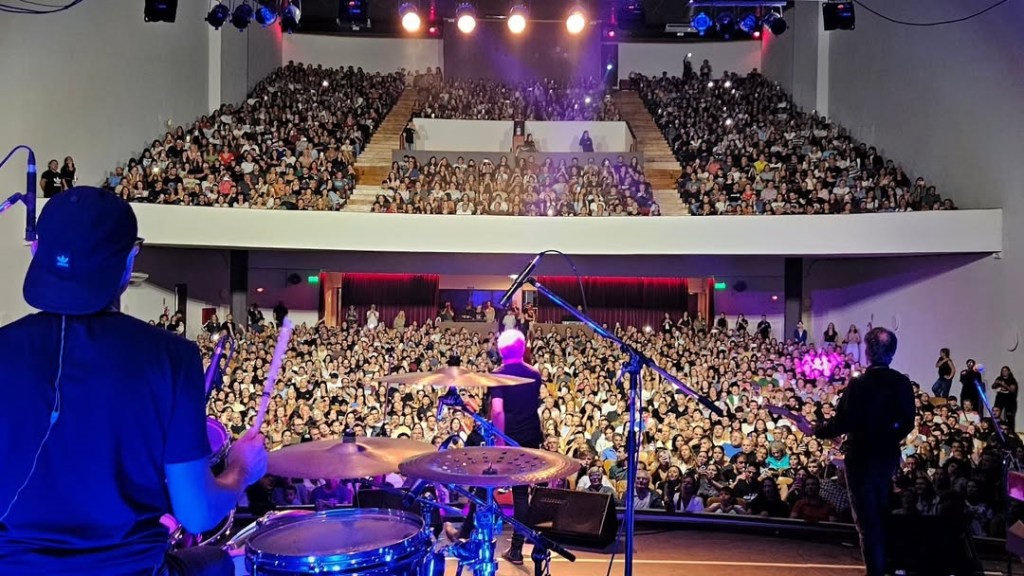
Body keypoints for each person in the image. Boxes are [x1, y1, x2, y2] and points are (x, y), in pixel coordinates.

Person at [0, 187, 268, 576]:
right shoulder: (171, 357)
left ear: (35, 252)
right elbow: (196, 515)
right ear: (129, 260)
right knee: (240, 563)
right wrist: (243, 469)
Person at [813, 327, 915, 576]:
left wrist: (818, 430)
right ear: (893, 352)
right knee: (883, 510)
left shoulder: (859, 384)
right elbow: (908, 422)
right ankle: (888, 565)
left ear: (867, 352)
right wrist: (888, 439)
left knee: (866, 518)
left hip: (860, 457)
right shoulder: (901, 382)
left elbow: (841, 423)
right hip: (887, 455)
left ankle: (876, 570)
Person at [448, 329, 541, 565]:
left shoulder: (498, 374)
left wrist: (499, 442)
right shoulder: (535, 374)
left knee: (484, 487)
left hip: (507, 436)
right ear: (523, 348)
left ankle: (465, 536)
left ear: (500, 350)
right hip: (530, 436)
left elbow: (498, 410)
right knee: (521, 493)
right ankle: (517, 550)